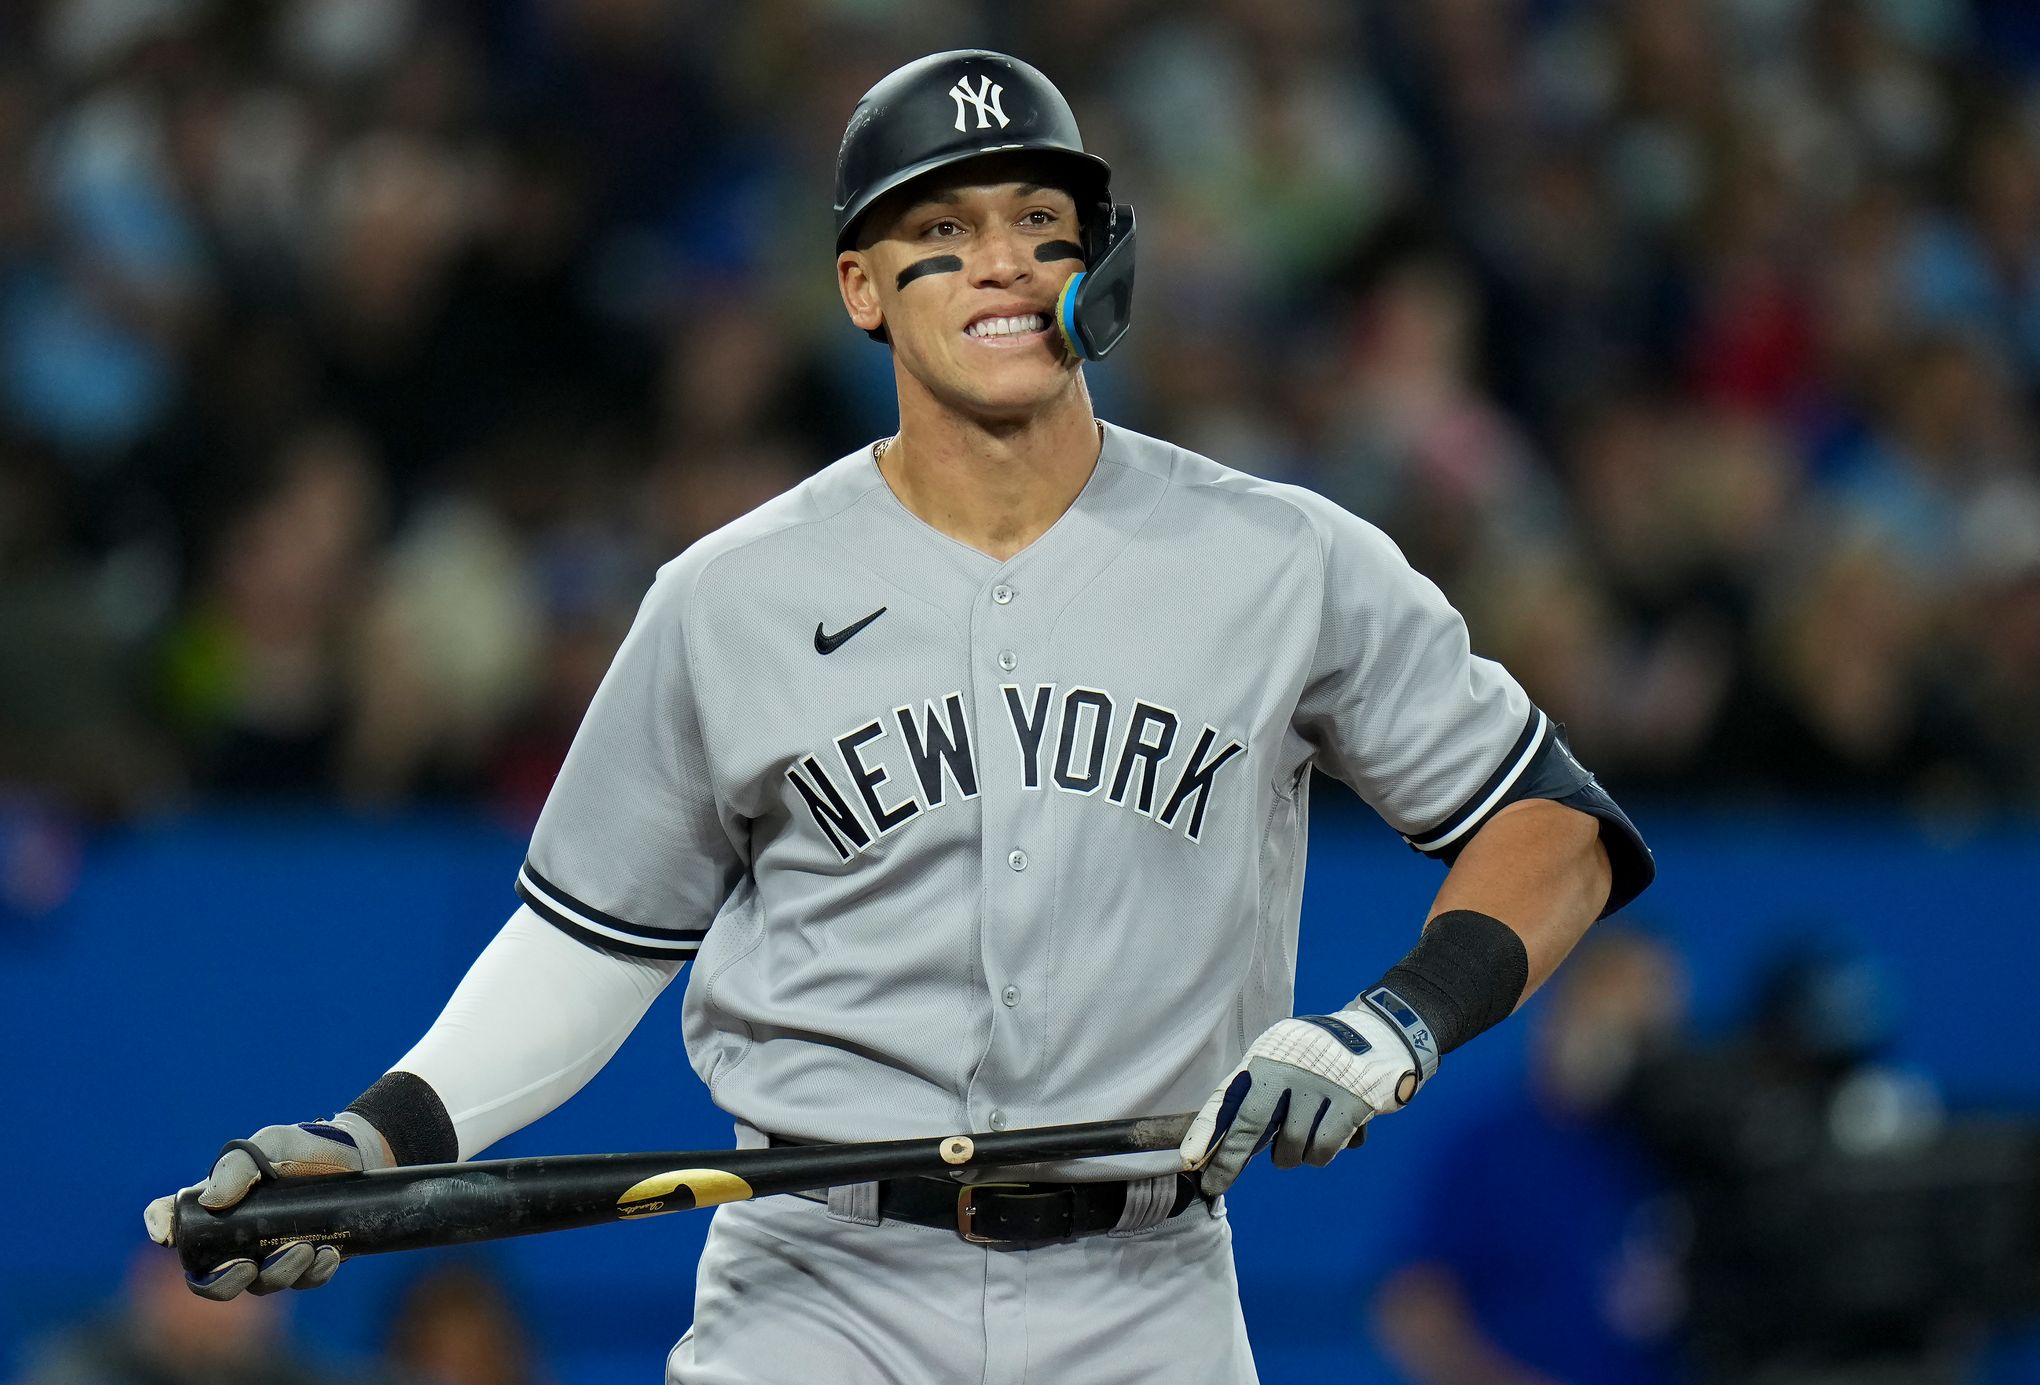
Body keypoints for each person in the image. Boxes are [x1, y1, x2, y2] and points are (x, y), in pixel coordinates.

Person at [143, 50, 1654, 1384]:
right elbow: (588, 944)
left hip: (1151, 1292)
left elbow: (1556, 826)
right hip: (819, 1287)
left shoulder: (1284, 558)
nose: (1000, 262)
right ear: (860, 288)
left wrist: (1394, 1024)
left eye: (1037, 226)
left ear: (1096, 269)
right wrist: (380, 1141)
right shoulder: (729, 594)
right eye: (943, 231)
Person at [1371, 929, 1688, 1385]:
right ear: (1562, 1017)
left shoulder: (1682, 1148)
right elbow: (1413, 1308)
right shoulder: (1490, 1150)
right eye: (1618, 1030)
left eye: (1651, 1038)